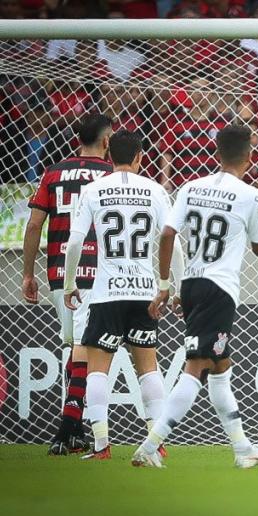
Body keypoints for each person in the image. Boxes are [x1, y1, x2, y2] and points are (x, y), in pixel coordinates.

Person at [132, 125, 258, 469]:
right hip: (220, 288)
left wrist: (166, 284)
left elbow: (168, 233)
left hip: (193, 285)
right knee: (197, 367)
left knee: (220, 368)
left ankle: (243, 449)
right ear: (250, 156)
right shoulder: (250, 195)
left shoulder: (190, 187)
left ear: (216, 153)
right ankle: (151, 444)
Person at [63, 130, 184, 460]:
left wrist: (68, 283)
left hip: (106, 293)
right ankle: (155, 442)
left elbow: (74, 242)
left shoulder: (92, 190)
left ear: (107, 155)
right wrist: (174, 287)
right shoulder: (156, 191)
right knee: (149, 367)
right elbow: (171, 244)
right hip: (145, 292)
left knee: (97, 369)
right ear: (140, 157)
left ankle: (101, 444)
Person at [22, 113, 115, 456]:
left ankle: (73, 429)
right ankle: (66, 430)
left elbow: (33, 226)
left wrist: (27, 273)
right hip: (95, 273)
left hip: (59, 273)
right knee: (85, 351)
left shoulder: (54, 172)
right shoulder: (110, 174)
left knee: (71, 347)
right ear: (107, 141)